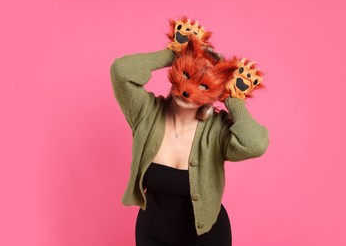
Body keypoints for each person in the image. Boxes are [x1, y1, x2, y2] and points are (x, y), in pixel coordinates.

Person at [110, 18, 269, 246]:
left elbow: (256, 144)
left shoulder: (217, 130)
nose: (188, 91)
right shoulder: (146, 113)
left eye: (204, 86)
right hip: (151, 235)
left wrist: (234, 99)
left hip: (207, 238)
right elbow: (121, 71)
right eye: (186, 75)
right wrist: (174, 53)